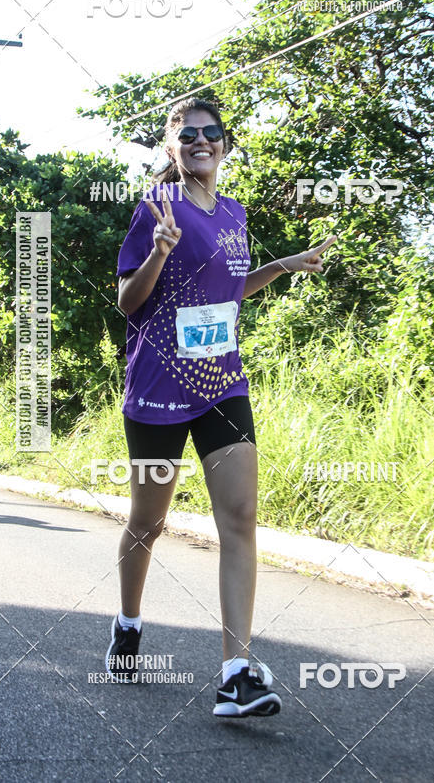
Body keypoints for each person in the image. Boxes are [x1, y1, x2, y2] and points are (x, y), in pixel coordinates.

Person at [106, 96, 336, 717]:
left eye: (210, 133)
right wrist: (158, 251)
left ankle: (237, 670)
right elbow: (129, 302)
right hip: (158, 386)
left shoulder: (233, 213)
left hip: (222, 383)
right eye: (187, 135)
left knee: (239, 516)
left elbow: (227, 292)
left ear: (225, 145)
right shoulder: (157, 208)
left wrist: (281, 266)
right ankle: (128, 624)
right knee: (148, 522)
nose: (200, 141)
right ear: (172, 148)